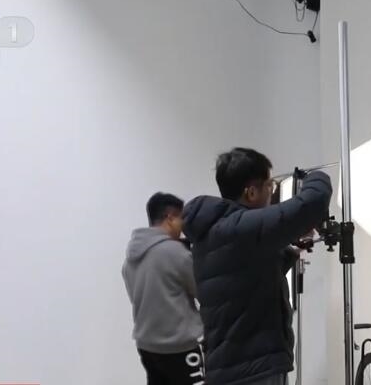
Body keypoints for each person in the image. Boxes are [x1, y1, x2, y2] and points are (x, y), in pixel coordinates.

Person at [182, 147, 332, 385]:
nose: (272, 191)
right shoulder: (240, 228)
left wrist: (290, 253)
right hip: (252, 370)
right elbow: (312, 204)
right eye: (270, 185)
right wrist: (316, 175)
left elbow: (246, 278)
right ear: (251, 192)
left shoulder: (215, 232)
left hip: (234, 367)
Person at [123, 192, 205, 385]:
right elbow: (202, 291)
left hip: (147, 347)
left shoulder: (130, 258)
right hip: (180, 347)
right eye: (181, 219)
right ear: (170, 218)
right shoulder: (175, 252)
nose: (183, 227)